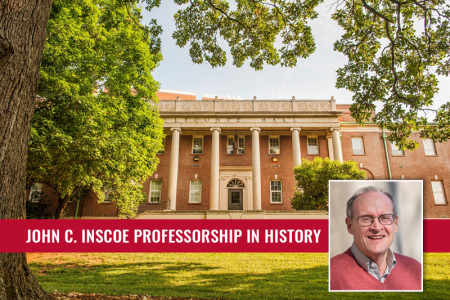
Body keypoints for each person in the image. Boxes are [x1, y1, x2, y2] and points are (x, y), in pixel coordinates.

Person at [330, 186, 422, 291]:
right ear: (350, 226)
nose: (377, 227)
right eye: (366, 219)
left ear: (395, 223)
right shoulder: (331, 274)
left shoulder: (415, 269)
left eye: (385, 218)